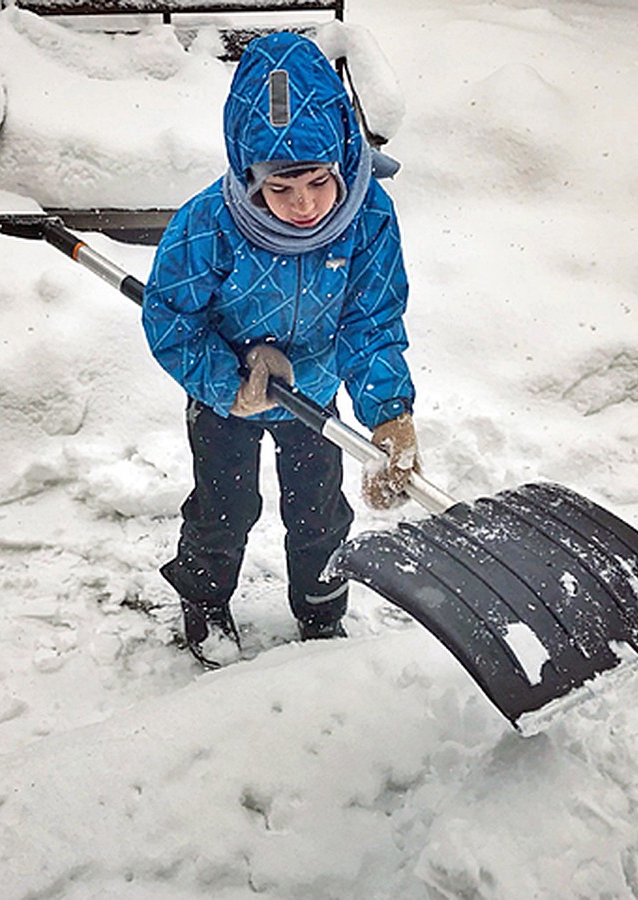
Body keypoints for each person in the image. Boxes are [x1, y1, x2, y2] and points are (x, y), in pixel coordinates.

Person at [142, 32, 419, 668]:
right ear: (249, 175)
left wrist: (389, 414)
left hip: (313, 393)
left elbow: (371, 319)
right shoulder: (209, 222)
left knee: (320, 513)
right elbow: (169, 316)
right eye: (280, 188)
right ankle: (206, 599)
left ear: (344, 159)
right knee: (223, 508)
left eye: (318, 183)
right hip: (227, 400)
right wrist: (225, 381)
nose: (303, 206)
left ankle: (322, 614)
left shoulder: (368, 217)